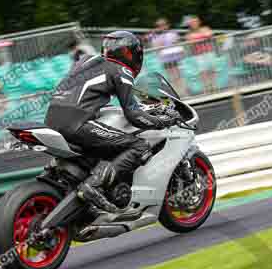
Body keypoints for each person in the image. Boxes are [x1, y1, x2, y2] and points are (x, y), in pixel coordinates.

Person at [45, 31, 180, 214]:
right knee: (139, 146)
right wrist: (160, 121)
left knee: (100, 147)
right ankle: (92, 186)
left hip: (52, 118)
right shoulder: (121, 70)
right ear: (130, 54)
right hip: (77, 122)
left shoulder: (85, 61)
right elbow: (133, 114)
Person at [149, 18, 186, 95]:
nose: (162, 27)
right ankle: (176, 93)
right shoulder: (155, 36)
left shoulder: (173, 33)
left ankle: (183, 92)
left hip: (175, 58)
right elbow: (155, 47)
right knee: (171, 77)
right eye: (159, 25)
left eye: (163, 25)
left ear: (167, 25)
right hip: (165, 60)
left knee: (178, 75)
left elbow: (178, 43)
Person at [185, 15, 217, 94]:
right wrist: (203, 37)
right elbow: (191, 41)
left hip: (209, 52)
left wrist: (197, 38)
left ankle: (213, 86)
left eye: (195, 22)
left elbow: (210, 34)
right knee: (202, 71)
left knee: (211, 69)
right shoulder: (189, 34)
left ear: (199, 22)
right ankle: (206, 88)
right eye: (192, 22)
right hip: (198, 55)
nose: (194, 24)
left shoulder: (205, 28)